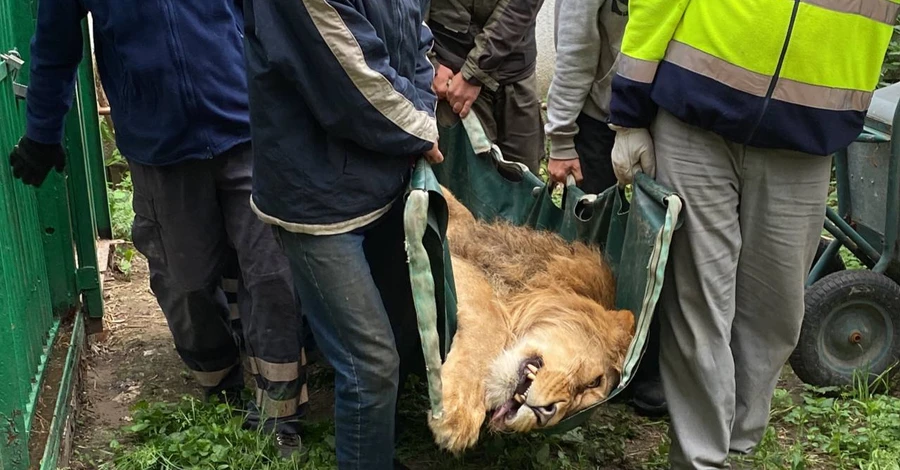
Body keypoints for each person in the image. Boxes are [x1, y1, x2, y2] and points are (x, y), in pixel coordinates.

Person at [8, 0, 309, 456]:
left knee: (270, 273)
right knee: (185, 282)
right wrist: (42, 132)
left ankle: (279, 415)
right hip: (159, 145)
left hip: (246, 127)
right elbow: (55, 44)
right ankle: (220, 379)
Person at [607, 1, 896, 468]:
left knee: (776, 314)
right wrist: (629, 112)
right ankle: (701, 458)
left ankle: (736, 447)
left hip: (808, 130)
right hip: (694, 112)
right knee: (699, 303)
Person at [241, 0, 441, 468]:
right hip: (319, 197)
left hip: (383, 176)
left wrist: (420, 106)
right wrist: (420, 127)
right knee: (369, 366)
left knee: (395, 337)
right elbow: (351, 79)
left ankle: (374, 454)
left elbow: (416, 38)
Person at [427, 0, 546, 175]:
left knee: (524, 183)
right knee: (461, 184)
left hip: (513, 76)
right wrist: (429, 63)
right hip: (450, 80)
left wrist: (474, 73)